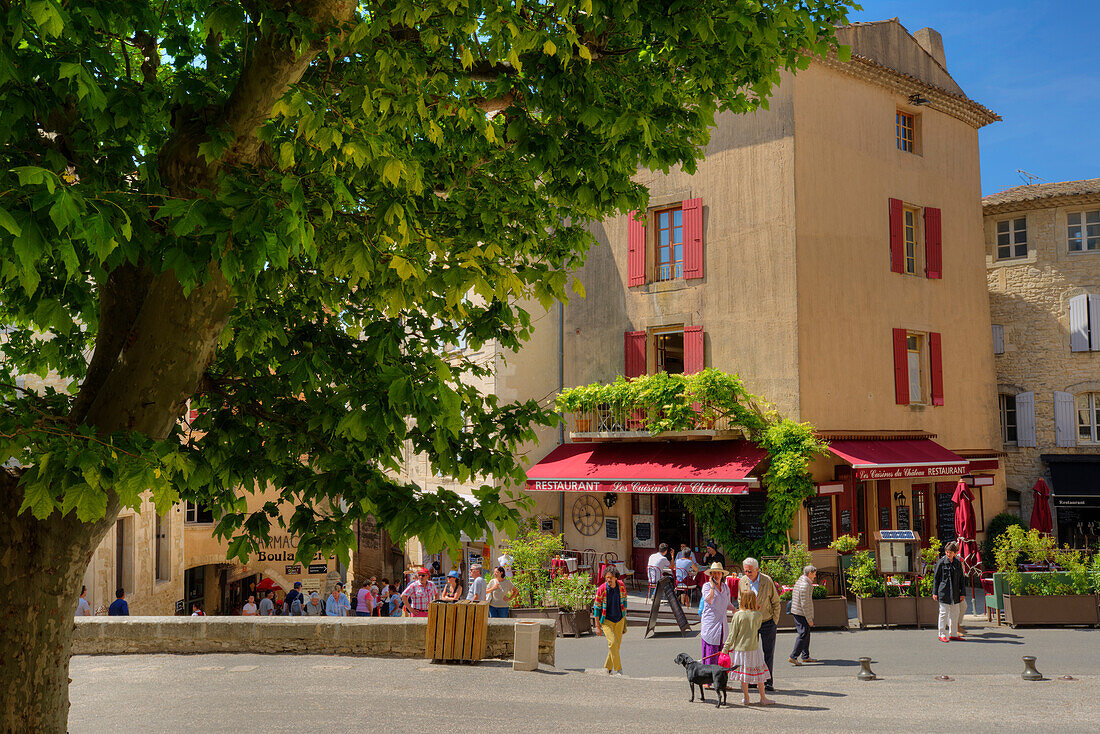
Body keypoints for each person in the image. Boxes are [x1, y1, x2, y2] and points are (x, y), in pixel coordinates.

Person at [722, 590, 774, 706]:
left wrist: (725, 649)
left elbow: (732, 634)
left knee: (743, 675)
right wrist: (756, 610)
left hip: (740, 649)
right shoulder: (758, 615)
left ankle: (746, 698)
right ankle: (763, 698)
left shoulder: (737, 615)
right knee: (759, 673)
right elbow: (758, 626)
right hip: (754, 648)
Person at [737, 557, 780, 692]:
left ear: (757, 570)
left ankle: (768, 681)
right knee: (750, 652)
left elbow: (776, 602)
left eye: (750, 571)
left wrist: (775, 621)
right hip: (750, 623)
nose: (747, 574)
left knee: (768, 652)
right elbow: (740, 600)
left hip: (767, 621)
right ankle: (751, 680)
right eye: (745, 571)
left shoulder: (767, 581)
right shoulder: (742, 581)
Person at [593, 567, 628, 676]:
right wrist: (597, 626)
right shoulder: (602, 589)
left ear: (616, 578)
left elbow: (625, 601)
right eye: (606, 577)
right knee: (612, 643)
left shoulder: (621, 585)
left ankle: (607, 668)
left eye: (610, 577)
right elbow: (596, 608)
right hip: (606, 620)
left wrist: (624, 619)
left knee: (615, 646)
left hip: (619, 619)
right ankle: (618, 669)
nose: (608, 580)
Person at [699, 562, 735, 666]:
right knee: (711, 656)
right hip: (711, 626)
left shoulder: (725, 587)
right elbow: (709, 600)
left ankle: (720, 681)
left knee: (722, 658)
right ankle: (708, 681)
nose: (716, 575)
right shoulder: (706, 587)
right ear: (710, 575)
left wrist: (735, 610)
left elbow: (727, 603)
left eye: (718, 573)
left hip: (722, 626)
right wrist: (712, 586)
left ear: (722, 575)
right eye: (714, 573)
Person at [933, 541, 966, 642]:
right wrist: (935, 592)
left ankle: (953, 634)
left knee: (955, 613)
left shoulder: (957, 563)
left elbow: (961, 579)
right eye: (947, 552)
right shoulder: (941, 562)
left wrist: (962, 593)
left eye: (950, 552)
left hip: (955, 592)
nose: (948, 554)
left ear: (955, 553)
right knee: (943, 613)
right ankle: (941, 634)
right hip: (943, 591)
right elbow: (936, 578)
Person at [788, 565, 818, 665]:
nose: (815, 576)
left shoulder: (801, 581)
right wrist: (809, 619)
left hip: (798, 611)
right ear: (810, 573)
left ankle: (805, 656)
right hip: (801, 612)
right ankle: (793, 656)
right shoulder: (805, 585)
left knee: (806, 633)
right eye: (814, 574)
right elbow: (804, 604)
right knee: (803, 633)